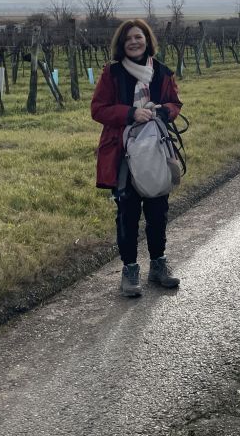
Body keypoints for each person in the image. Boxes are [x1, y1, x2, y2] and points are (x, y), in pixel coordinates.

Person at [91, 18, 183, 298]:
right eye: (128, 38)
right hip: (123, 154)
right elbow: (98, 109)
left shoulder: (162, 72)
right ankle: (130, 270)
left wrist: (162, 111)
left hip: (156, 150)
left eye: (138, 37)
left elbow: (175, 103)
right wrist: (130, 113)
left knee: (158, 211)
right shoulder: (112, 73)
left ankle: (158, 265)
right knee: (127, 214)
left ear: (147, 41)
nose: (134, 42)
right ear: (122, 43)